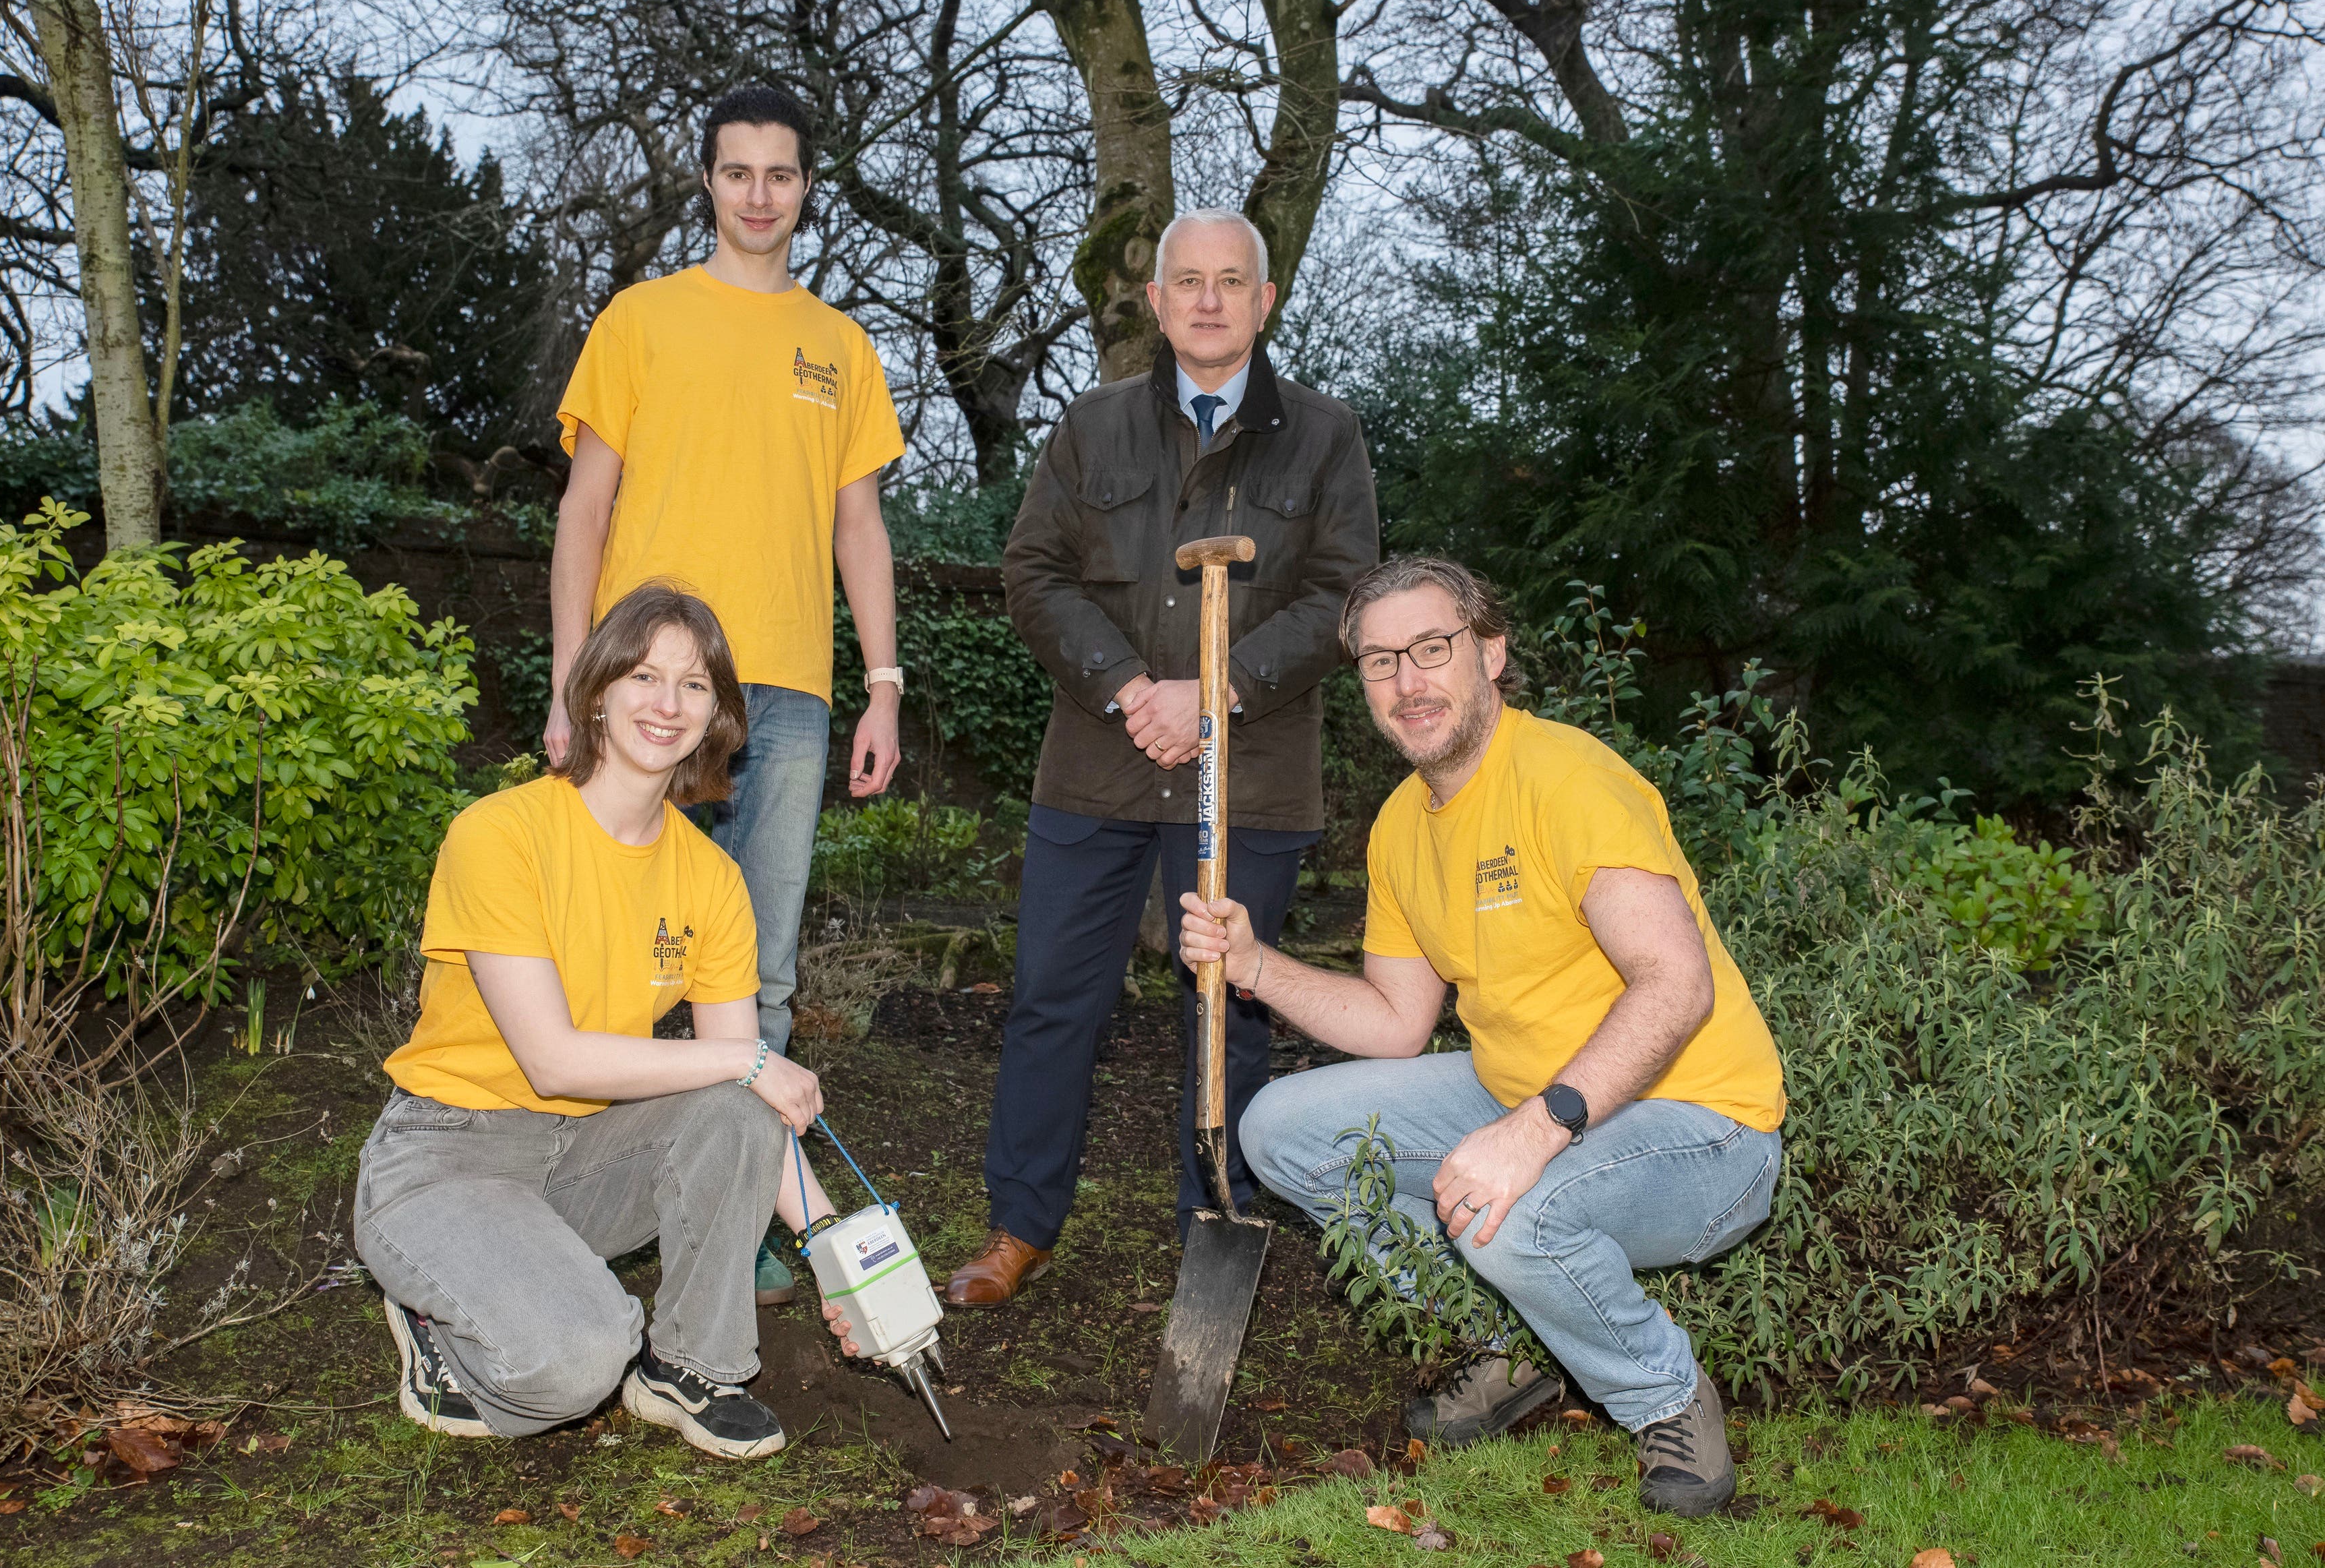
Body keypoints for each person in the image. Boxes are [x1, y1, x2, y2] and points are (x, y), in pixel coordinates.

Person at [1176, 556, 1786, 1518]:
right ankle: (1509, 1341)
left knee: (1513, 1203)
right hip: (1524, 1092)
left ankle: (1666, 1399)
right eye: (1380, 661)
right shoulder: (1400, 825)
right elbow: (1395, 1022)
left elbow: (1676, 986)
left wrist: (1532, 1131)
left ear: (1490, 653)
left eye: (1431, 648)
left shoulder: (1569, 780)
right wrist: (1254, 964)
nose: (1407, 682)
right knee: (1278, 1130)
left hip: (1703, 1128)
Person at [945, 208, 1379, 1306]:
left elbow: (1344, 595)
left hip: (1251, 775)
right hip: (1098, 763)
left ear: (1264, 300)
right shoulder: (1091, 426)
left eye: (1231, 281)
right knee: (1052, 998)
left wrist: (1217, 690)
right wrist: (1131, 687)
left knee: (1228, 1003)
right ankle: (1019, 1223)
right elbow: (1032, 571)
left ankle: (1214, 1220)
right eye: (1188, 280)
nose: (1208, 300)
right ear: (1155, 300)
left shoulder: (1324, 436)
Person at [356, 584, 864, 1458]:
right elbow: (553, 1061)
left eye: (694, 684)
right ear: (596, 692)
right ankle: (439, 1318)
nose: (668, 703)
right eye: (643, 675)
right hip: (450, 1155)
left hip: (581, 1156)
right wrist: (746, 1060)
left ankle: (691, 1366)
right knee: (577, 1365)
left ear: (717, 716)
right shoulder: (501, 833)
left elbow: (744, 1096)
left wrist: (839, 1254)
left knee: (736, 1103)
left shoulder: (710, 879)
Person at [546, 82, 907, 1077]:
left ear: (806, 187)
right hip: (644, 684)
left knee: (761, 970)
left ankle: (744, 1171)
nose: (759, 195)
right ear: (707, 181)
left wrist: (883, 688)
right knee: (613, 949)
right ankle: (597, 1160)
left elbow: (860, 530)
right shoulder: (638, 319)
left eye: (779, 175)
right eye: (738, 173)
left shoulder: (843, 348)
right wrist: (571, 678)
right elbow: (583, 510)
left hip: (786, 691)